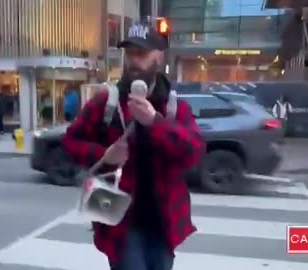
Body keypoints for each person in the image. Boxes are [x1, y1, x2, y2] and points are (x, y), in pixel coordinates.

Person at [62, 24, 205, 270]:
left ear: (158, 57)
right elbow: (69, 142)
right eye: (129, 54)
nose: (134, 61)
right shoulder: (107, 102)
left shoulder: (172, 107)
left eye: (141, 54)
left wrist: (155, 123)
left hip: (163, 221)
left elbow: (194, 152)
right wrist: (104, 155)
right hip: (120, 221)